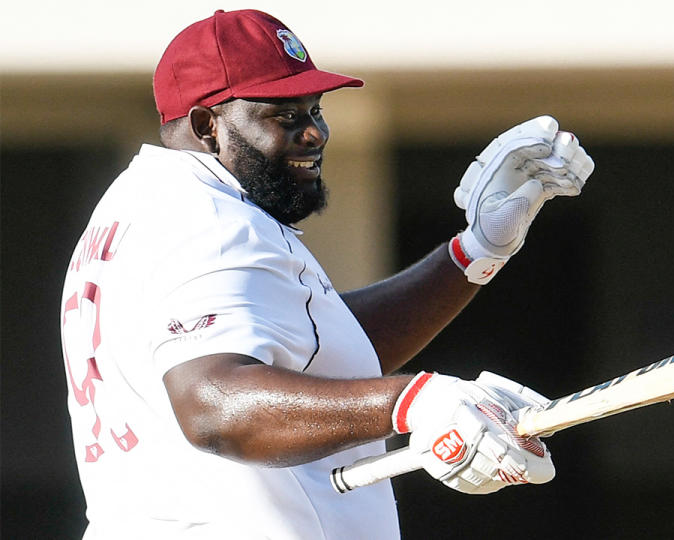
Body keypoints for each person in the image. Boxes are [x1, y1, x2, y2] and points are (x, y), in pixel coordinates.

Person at [59, 9, 593, 540]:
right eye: (285, 116)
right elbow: (213, 406)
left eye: (314, 110)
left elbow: (323, 350)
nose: (315, 133)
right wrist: (415, 401)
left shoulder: (140, 206)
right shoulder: (209, 219)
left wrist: (475, 252)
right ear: (207, 126)